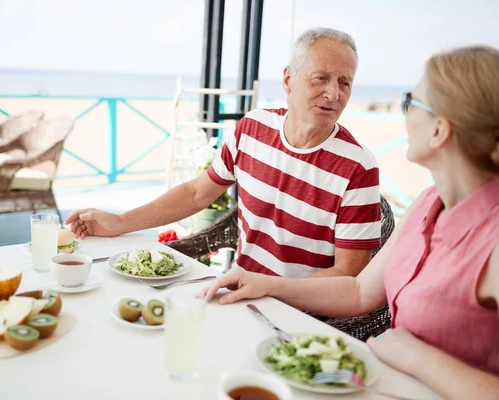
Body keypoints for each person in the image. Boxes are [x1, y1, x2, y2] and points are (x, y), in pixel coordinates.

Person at [202, 45, 499, 399]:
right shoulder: (427, 204)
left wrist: (421, 359)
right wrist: (266, 284)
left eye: (410, 102)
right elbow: (360, 292)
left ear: (439, 131)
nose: (404, 115)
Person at [66, 27, 382, 279]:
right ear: (288, 79)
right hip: (237, 291)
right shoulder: (252, 129)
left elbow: (348, 275)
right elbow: (195, 194)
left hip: (302, 315)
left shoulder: (358, 168)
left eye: (345, 83)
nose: (334, 94)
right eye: (321, 78)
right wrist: (119, 223)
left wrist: (271, 290)